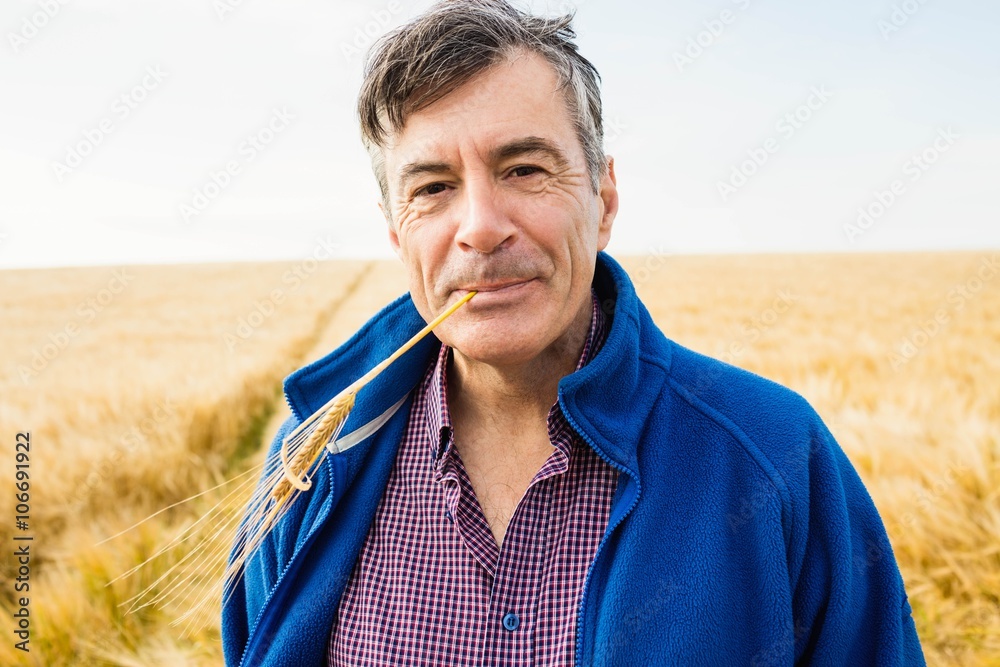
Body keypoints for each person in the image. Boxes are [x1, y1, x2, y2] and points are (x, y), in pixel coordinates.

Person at [221, 1, 926, 665]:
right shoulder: (310, 466)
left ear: (605, 199)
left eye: (524, 169)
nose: (479, 228)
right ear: (396, 230)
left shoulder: (773, 455)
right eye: (433, 187)